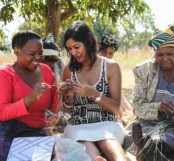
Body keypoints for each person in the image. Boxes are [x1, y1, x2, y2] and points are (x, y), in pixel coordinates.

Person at [130, 26, 174, 161]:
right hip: (151, 123)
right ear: (154, 54)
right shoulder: (143, 71)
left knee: (172, 136)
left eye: (169, 54)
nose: (164, 59)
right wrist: (158, 107)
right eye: (160, 55)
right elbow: (137, 106)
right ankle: (149, 146)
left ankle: (150, 150)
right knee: (147, 132)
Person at [58, 21, 126, 161]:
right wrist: (68, 98)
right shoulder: (69, 70)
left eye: (77, 47)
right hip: (79, 126)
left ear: (88, 42)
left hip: (107, 124)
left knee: (109, 142)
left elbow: (115, 108)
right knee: (86, 145)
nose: (73, 52)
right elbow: (68, 110)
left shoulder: (111, 67)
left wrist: (93, 94)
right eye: (69, 49)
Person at [0, 30, 59, 160]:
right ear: (16, 51)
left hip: (38, 129)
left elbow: (54, 104)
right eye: (32, 54)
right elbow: (2, 112)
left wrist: (65, 95)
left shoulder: (47, 71)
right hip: (11, 128)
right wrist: (29, 99)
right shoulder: (5, 73)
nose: (38, 58)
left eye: (40, 53)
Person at [99, 33, 133, 125]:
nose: (107, 56)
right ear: (99, 51)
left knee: (130, 114)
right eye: (104, 52)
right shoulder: (94, 66)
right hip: (99, 103)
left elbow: (118, 93)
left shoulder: (113, 67)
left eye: (110, 53)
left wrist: (129, 109)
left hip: (112, 103)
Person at [42, 34, 69, 135]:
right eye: (47, 62)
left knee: (65, 120)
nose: (49, 66)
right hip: (41, 108)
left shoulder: (60, 64)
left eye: (52, 64)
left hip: (56, 106)